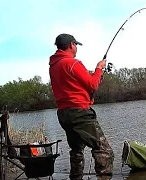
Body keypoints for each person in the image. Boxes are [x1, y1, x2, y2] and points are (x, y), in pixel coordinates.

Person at [48, 33, 114, 180]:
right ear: (71, 45)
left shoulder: (54, 66)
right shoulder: (73, 63)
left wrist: (95, 76)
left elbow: (79, 85)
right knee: (104, 150)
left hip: (64, 115)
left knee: (77, 150)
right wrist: (99, 68)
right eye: (76, 44)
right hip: (79, 113)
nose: (76, 47)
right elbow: (92, 84)